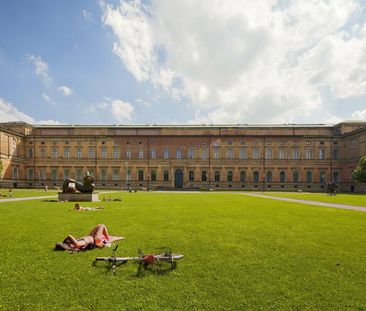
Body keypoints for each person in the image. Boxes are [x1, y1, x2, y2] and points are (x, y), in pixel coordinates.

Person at [55, 224, 124, 251]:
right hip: (95, 239)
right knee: (102, 226)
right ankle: (108, 240)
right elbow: (76, 244)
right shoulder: (77, 244)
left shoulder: (73, 244)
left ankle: (108, 239)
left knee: (99, 225)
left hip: (91, 236)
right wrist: (69, 237)